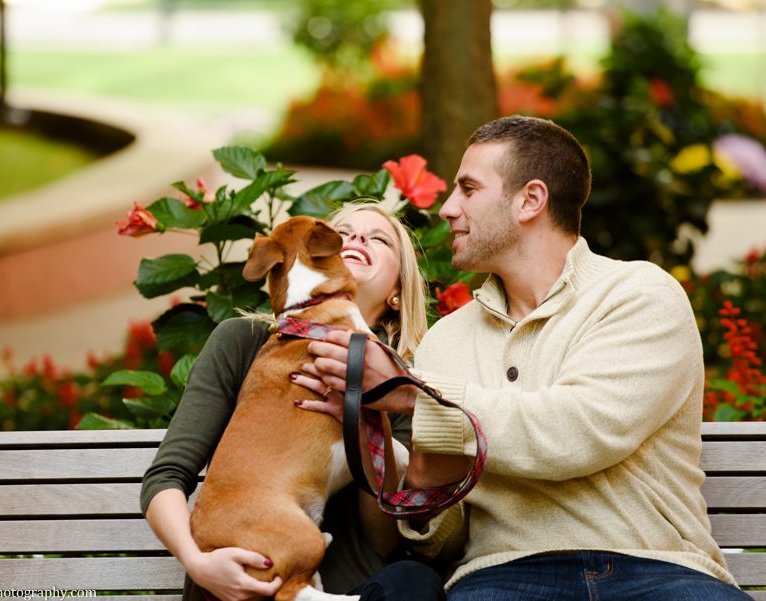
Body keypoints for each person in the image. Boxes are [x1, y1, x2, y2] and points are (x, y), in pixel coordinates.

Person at [300, 116, 753, 600]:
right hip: (503, 576)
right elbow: (444, 540)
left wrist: (415, 396)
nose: (448, 208)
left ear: (530, 200)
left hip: (659, 570)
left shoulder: (639, 294)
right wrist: (419, 482)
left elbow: (579, 431)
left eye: (468, 189)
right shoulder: (448, 340)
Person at [140, 200, 445, 601]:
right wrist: (197, 563)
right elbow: (165, 476)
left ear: (397, 291)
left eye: (378, 238)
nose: (356, 239)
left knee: (415, 581)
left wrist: (366, 416)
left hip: (350, 585)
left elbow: (384, 539)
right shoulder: (244, 342)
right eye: (346, 231)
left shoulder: (402, 383)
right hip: (239, 584)